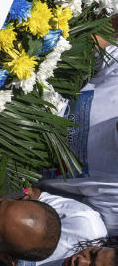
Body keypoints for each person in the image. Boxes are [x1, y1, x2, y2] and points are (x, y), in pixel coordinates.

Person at [40, 56, 118, 234]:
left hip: (1, 168)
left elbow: (74, 220)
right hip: (20, 82)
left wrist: (24, 191)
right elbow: (91, 45)